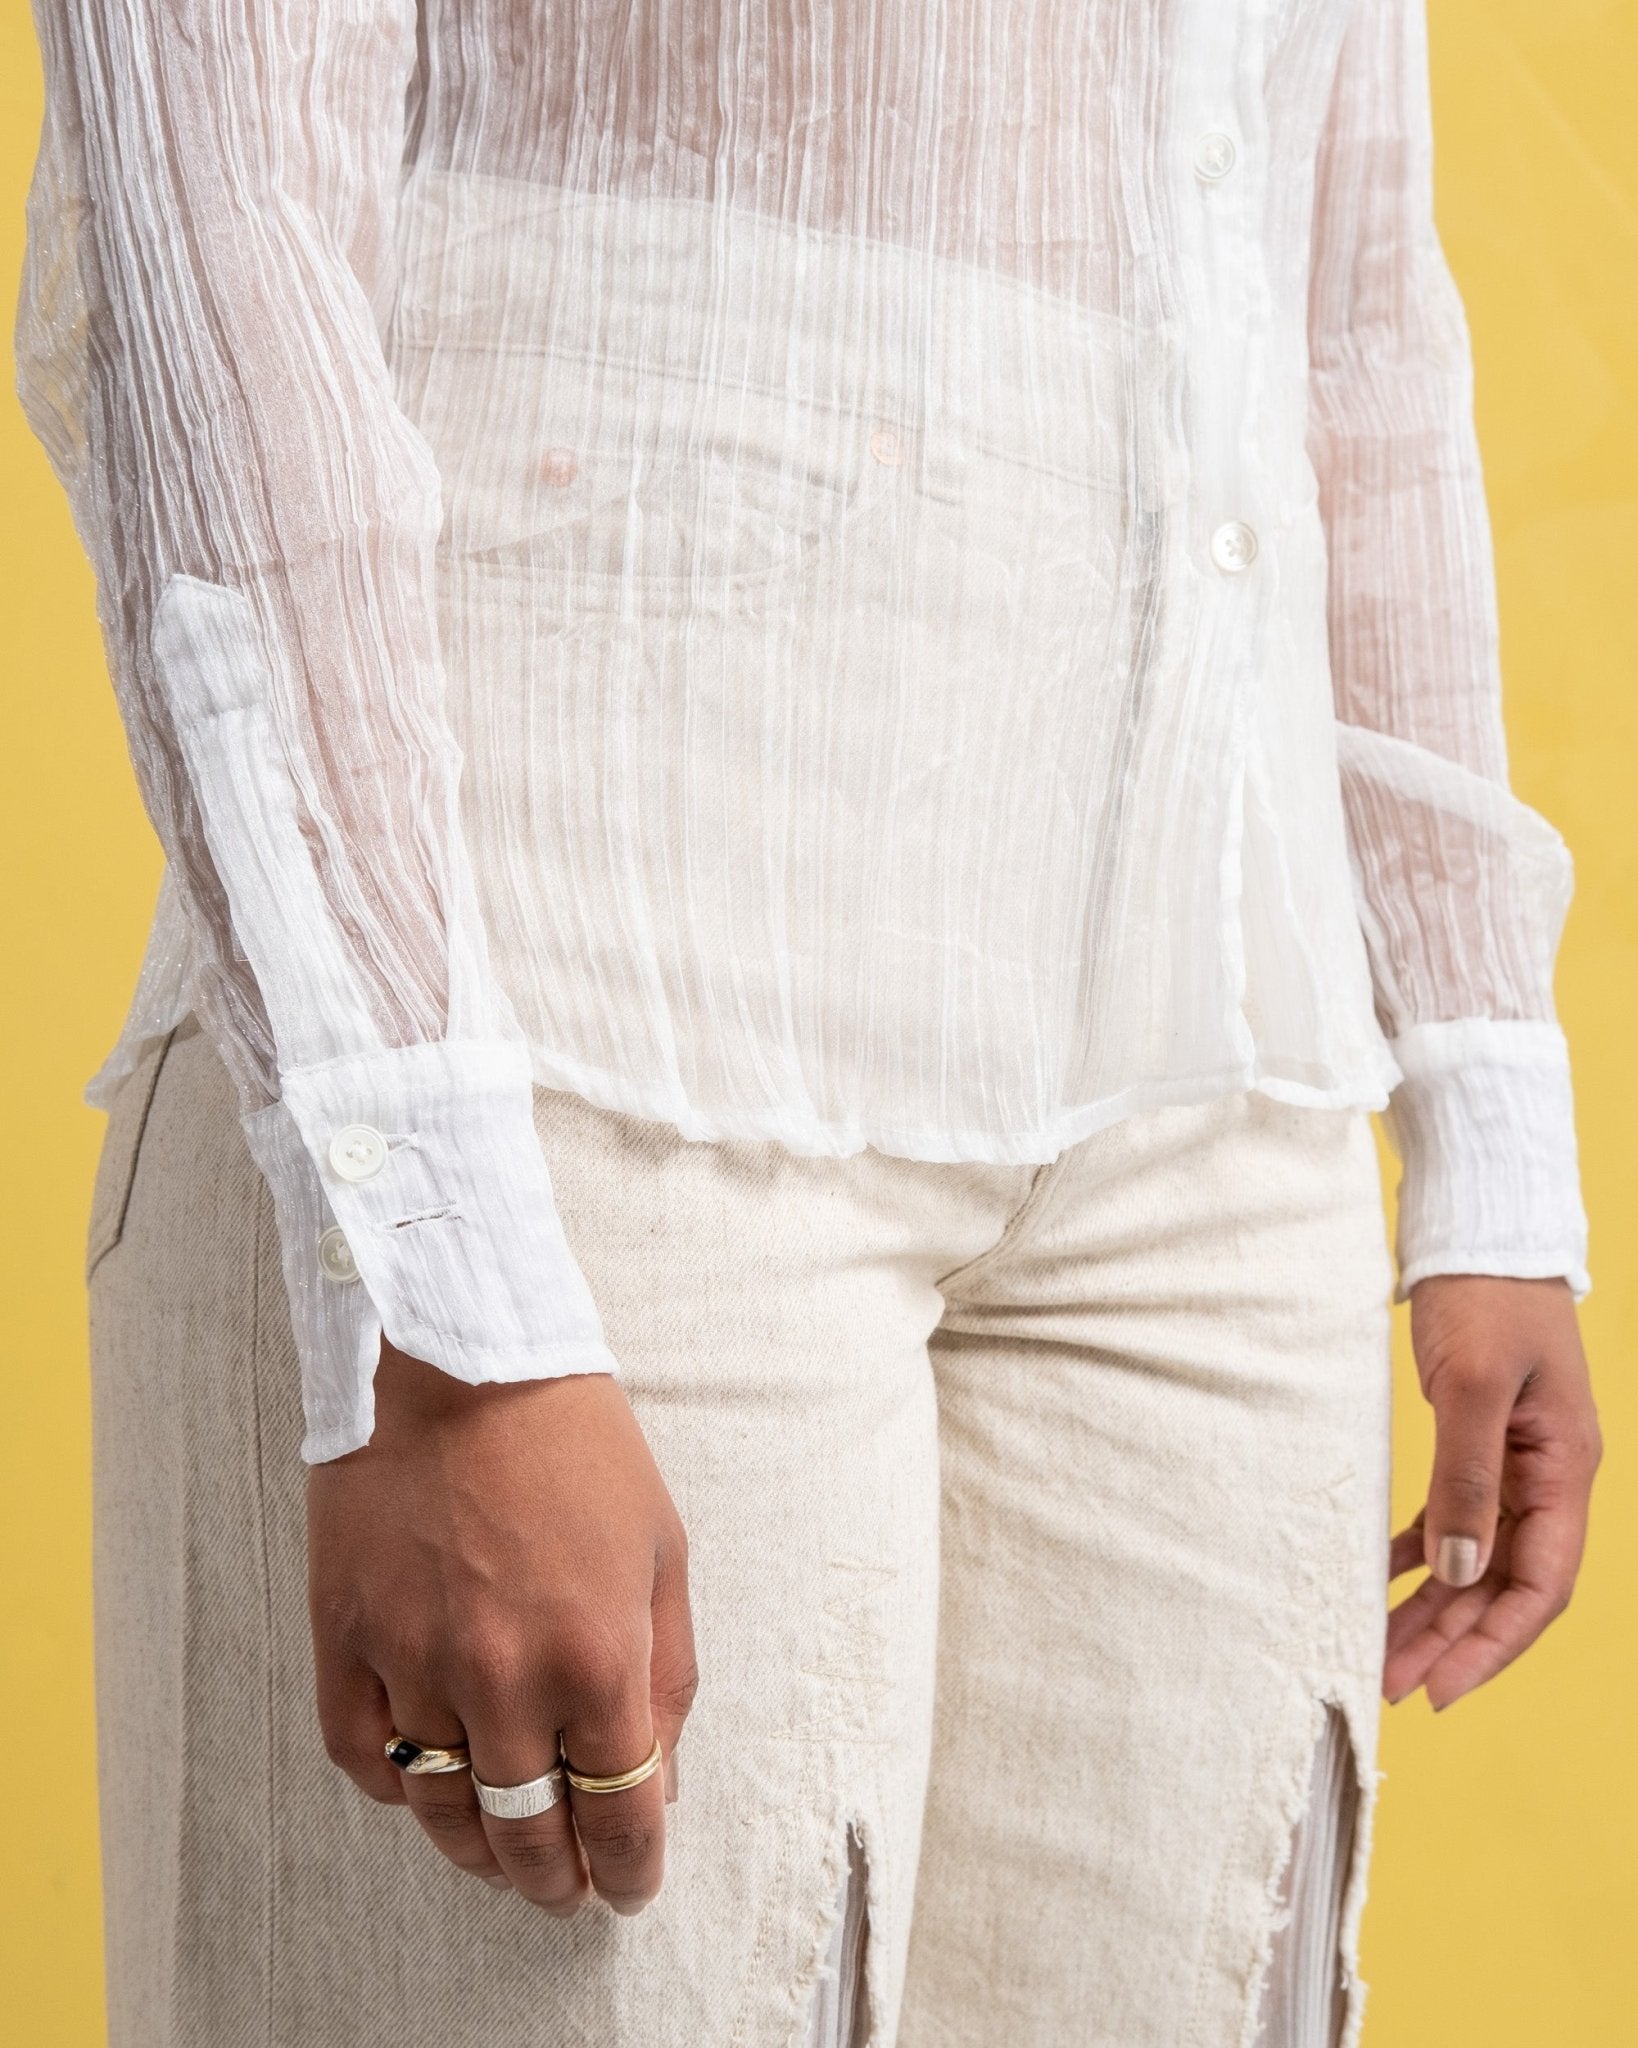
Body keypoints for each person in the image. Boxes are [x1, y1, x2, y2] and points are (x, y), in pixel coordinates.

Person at [16, 0, 1601, 2043]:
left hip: (1213, 1090)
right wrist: (439, 1287)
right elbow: (215, 222)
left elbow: (1351, 309)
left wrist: (1480, 1095)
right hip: (571, 1028)